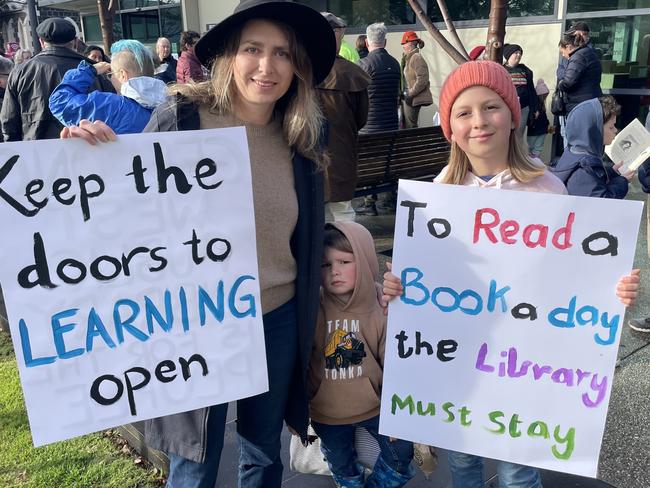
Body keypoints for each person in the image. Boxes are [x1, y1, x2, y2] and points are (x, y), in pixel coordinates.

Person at [61, 1, 337, 486]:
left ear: (298, 67)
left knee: (263, 453)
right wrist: (88, 161)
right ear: (230, 54)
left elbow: (309, 228)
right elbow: (125, 208)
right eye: (253, 49)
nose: (267, 66)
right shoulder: (182, 117)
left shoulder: (303, 135)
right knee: (194, 461)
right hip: (193, 321)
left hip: (278, 315)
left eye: (283, 53)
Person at [380, 60, 640, 488]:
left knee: (518, 470)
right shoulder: (437, 195)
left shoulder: (548, 188)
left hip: (522, 363)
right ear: (449, 127)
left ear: (512, 114)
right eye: (463, 113)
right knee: (462, 460)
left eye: (491, 107)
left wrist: (614, 290)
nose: (479, 122)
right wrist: (396, 288)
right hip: (458, 361)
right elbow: (423, 285)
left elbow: (575, 274)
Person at [307, 222, 415, 488]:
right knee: (341, 464)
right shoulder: (310, 307)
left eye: (344, 261)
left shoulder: (382, 306)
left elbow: (395, 364)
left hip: (376, 408)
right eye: (325, 265)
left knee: (402, 457)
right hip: (325, 413)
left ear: (365, 259)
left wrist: (397, 415)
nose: (335, 272)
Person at [0, 17, 113, 141]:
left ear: (41, 42)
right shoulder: (95, 69)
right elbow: (113, 115)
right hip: (89, 148)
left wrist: (15, 152)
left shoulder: (20, 72)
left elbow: (9, 121)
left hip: (37, 151)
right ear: (75, 42)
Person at [49, 39, 167, 135]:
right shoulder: (170, 104)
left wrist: (90, 70)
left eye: (111, 74)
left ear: (122, 75)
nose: (111, 78)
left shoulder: (111, 106)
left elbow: (59, 101)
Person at [318, 12, 370, 223]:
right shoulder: (351, 72)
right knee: (342, 218)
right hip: (340, 155)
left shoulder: (300, 71)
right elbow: (361, 119)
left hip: (306, 160)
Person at [357, 22, 401, 216]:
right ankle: (388, 200)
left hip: (369, 127)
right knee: (387, 160)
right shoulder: (395, 63)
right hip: (390, 124)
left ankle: (369, 202)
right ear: (385, 41)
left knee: (368, 162)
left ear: (367, 42)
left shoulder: (364, 65)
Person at [551, 96, 632, 198]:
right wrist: (622, 181)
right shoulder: (583, 169)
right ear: (594, 131)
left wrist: (611, 173)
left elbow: (594, 182)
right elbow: (600, 203)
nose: (615, 130)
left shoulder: (575, 153)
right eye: (611, 127)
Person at [557, 29, 602, 115]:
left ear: (568, 47)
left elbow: (568, 82)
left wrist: (560, 84)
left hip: (580, 104)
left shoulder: (578, 57)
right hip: (590, 100)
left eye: (562, 52)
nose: (563, 56)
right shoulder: (589, 53)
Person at [502, 43, 537, 140]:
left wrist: (535, 108)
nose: (519, 55)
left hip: (523, 108)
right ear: (509, 55)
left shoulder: (525, 70)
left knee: (518, 135)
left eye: (520, 53)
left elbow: (531, 90)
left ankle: (516, 154)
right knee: (506, 134)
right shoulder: (502, 70)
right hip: (507, 108)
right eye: (516, 53)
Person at [400, 31, 432, 128]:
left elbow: (423, 79)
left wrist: (410, 94)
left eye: (404, 44)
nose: (403, 46)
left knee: (410, 127)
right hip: (408, 97)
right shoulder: (409, 58)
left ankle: (413, 143)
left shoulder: (416, 57)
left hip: (412, 98)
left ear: (410, 44)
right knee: (407, 126)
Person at [527, 79, 551, 160]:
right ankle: (534, 163)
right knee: (536, 149)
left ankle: (532, 164)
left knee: (531, 149)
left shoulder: (537, 104)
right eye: (544, 95)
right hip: (539, 130)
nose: (545, 97)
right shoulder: (538, 105)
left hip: (535, 130)